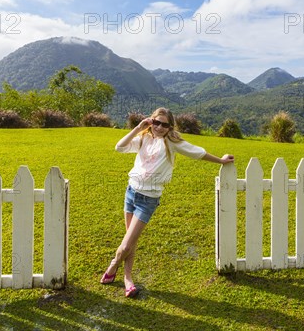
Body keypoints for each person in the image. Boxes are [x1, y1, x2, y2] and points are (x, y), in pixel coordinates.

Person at [100, 107, 234, 298]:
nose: (159, 127)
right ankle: (128, 279)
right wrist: (138, 128)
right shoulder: (144, 138)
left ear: (170, 127)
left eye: (165, 124)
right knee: (131, 241)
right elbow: (119, 147)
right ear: (150, 121)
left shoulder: (172, 142)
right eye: (156, 123)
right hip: (131, 192)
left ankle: (113, 266)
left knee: (126, 245)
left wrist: (221, 161)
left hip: (148, 200)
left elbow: (198, 153)